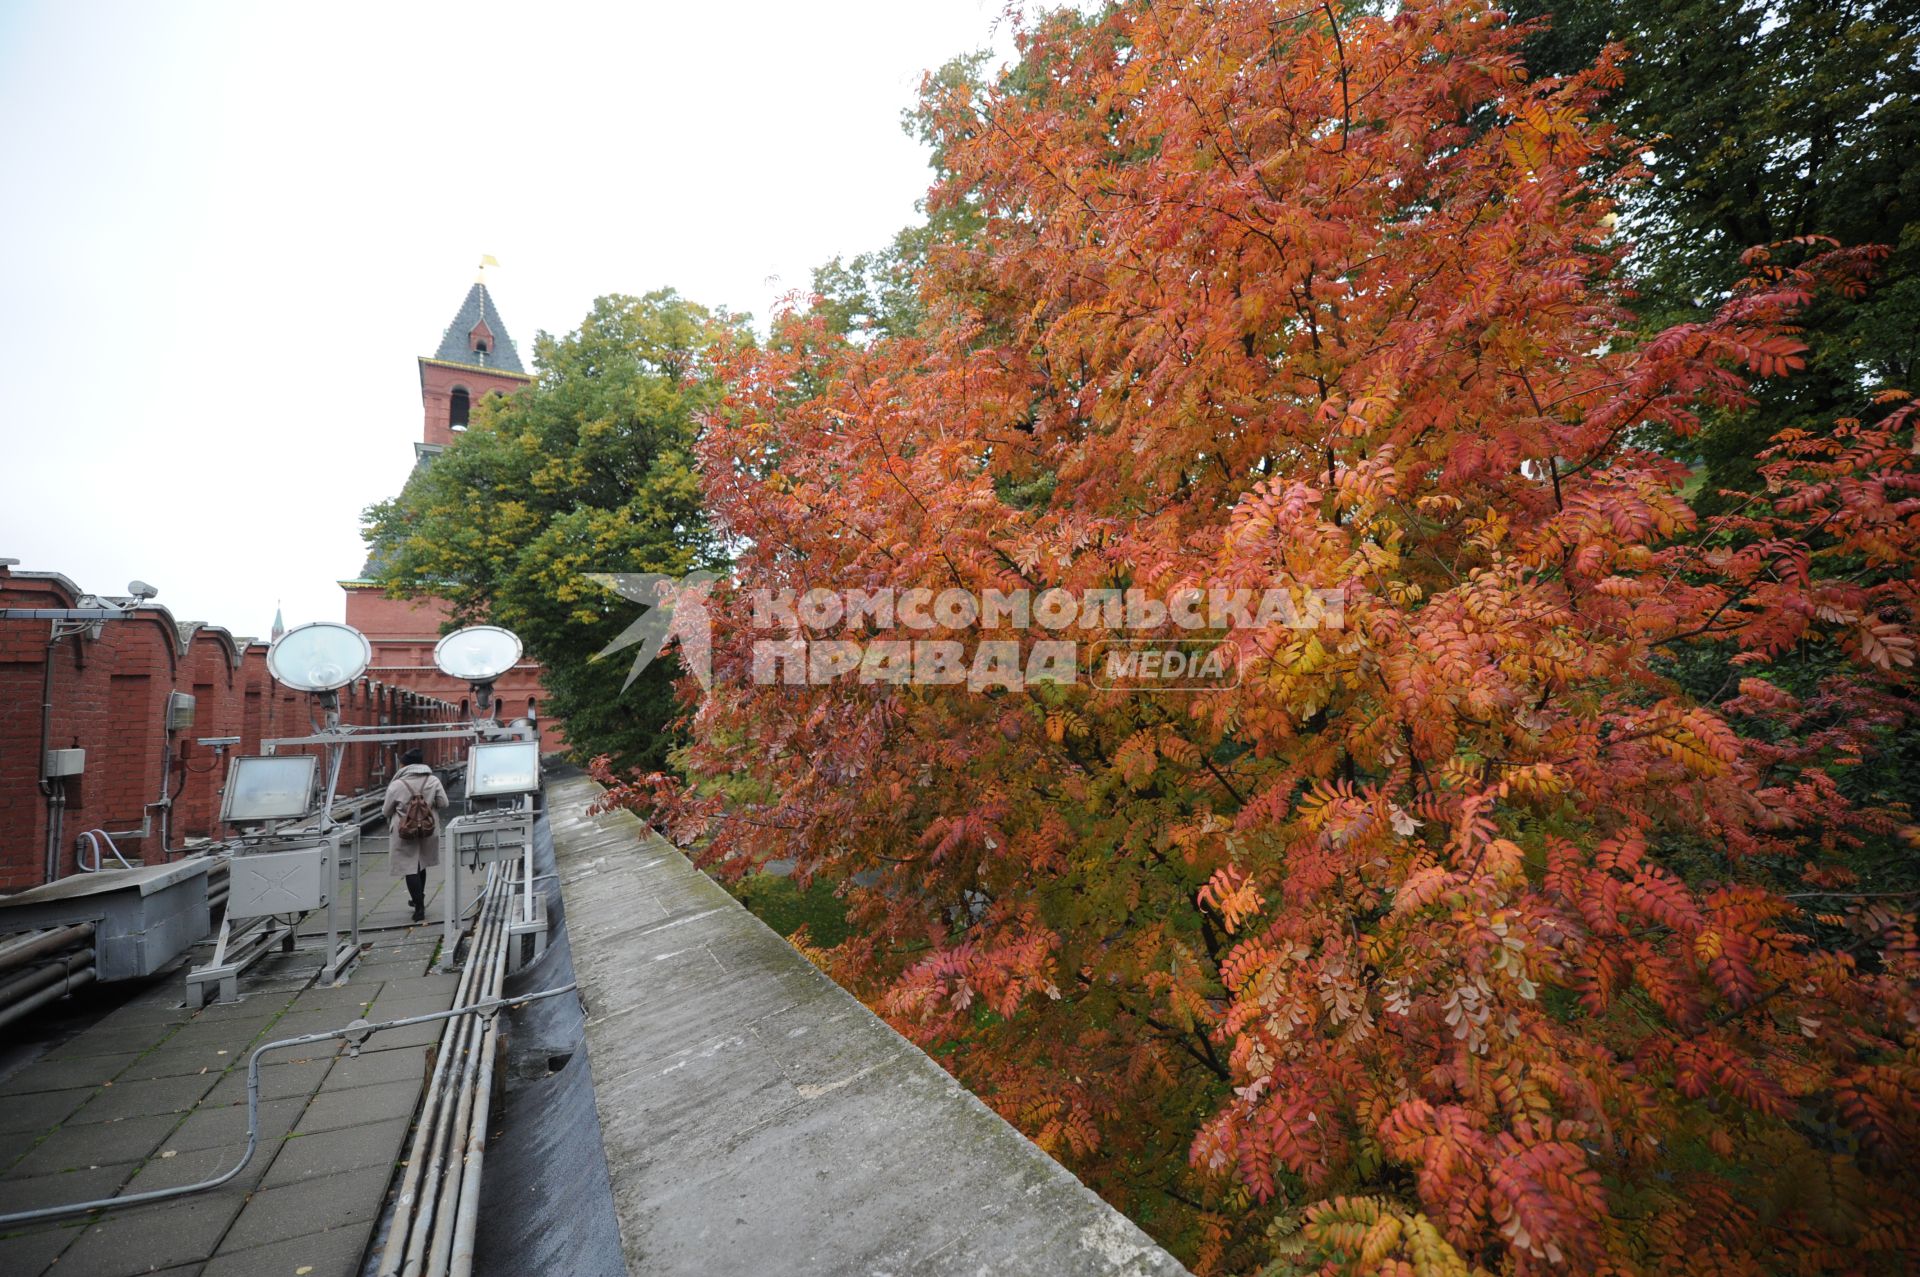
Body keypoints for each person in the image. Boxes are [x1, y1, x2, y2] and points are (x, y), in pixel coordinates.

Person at [383, 748, 448, 922]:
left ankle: (419, 906)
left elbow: (386, 810)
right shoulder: (433, 780)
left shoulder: (397, 784)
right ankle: (419, 898)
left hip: (404, 831)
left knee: (409, 867)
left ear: (405, 764)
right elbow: (444, 802)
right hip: (428, 828)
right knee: (421, 864)